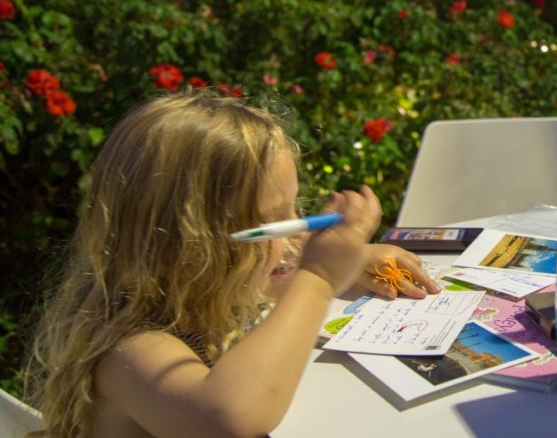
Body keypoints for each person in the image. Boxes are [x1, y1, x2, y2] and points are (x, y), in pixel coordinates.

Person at [25, 91, 439, 437]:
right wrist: (317, 277)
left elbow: (269, 280)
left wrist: (353, 261)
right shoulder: (129, 349)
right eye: (274, 219)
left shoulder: (202, 290)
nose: (297, 234)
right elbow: (229, 418)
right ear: (190, 246)